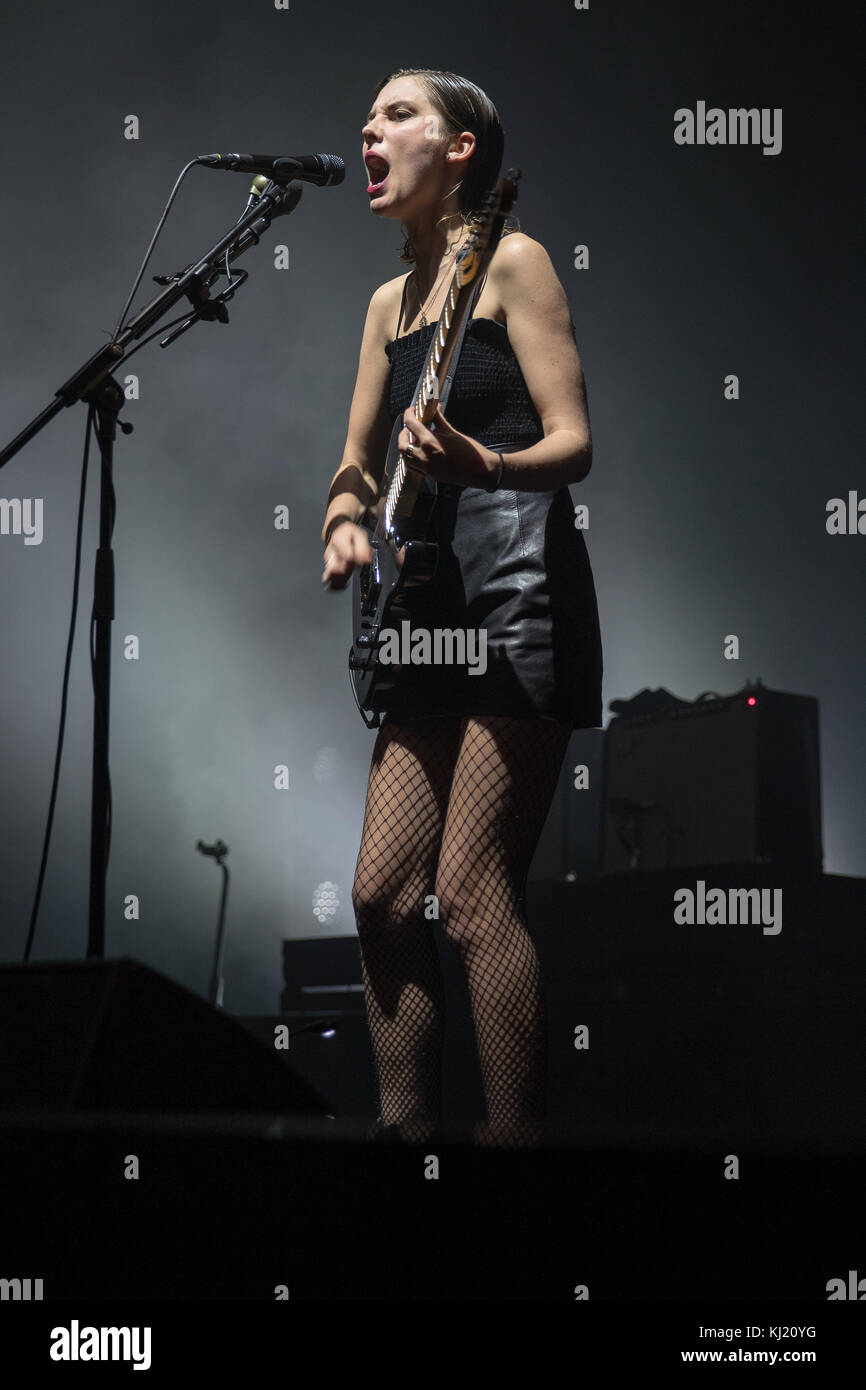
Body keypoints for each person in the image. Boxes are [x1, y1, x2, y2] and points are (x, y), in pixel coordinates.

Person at [320, 67, 603, 1146]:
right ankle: (408, 1149)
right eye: (369, 115)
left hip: (517, 584)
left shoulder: (514, 266)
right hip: (422, 593)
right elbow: (350, 463)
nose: (369, 129)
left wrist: (480, 459)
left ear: (461, 149)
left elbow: (574, 440)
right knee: (382, 896)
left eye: (397, 114)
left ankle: (512, 1161)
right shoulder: (388, 305)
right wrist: (346, 520)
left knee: (474, 892)